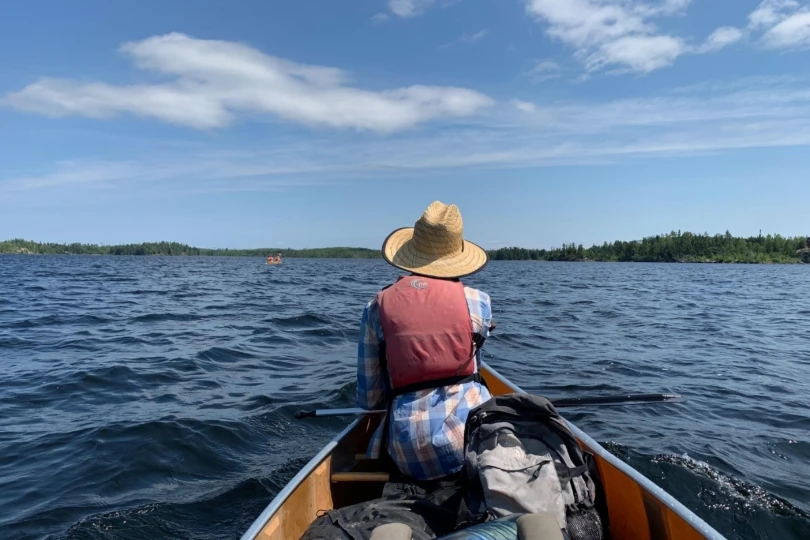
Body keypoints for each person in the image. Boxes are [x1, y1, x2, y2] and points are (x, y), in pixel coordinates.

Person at [356, 200, 494, 482]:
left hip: (409, 453)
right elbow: (473, 366)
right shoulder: (478, 301)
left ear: (411, 253)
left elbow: (370, 400)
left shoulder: (375, 308)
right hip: (471, 442)